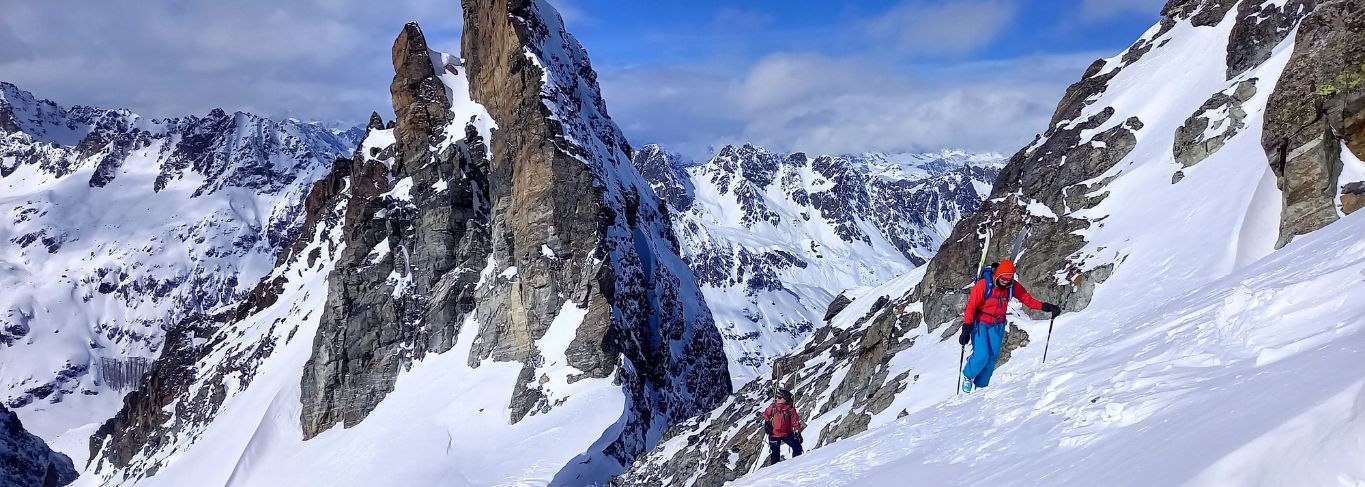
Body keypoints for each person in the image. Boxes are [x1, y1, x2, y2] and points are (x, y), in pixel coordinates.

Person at [958, 259, 1061, 393]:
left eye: (1009, 279)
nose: (1005, 281)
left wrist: (1046, 307)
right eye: (1003, 278)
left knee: (992, 357)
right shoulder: (983, 285)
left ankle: (981, 386)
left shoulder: (1012, 286)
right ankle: (968, 375)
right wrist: (966, 328)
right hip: (980, 323)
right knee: (982, 355)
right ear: (998, 275)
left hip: (997, 325)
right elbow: (971, 307)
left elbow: (1027, 299)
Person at [763, 389, 803, 464]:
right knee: (775, 454)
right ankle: (776, 470)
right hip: (774, 434)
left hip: (787, 434)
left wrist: (798, 432)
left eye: (779, 397)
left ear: (785, 399)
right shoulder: (773, 407)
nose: (776, 399)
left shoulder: (790, 409)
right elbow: (766, 414)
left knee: (797, 447)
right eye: (777, 397)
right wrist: (767, 423)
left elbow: (795, 421)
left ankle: (796, 464)